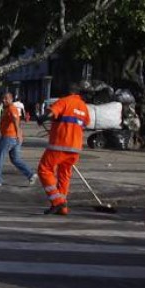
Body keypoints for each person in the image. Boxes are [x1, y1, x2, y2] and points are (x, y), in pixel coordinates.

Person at [36, 83, 92, 215]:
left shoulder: (64, 101)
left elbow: (51, 113)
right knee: (64, 175)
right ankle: (62, 207)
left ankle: (57, 201)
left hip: (60, 144)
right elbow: (86, 123)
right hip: (75, 147)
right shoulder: (83, 106)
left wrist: (41, 118)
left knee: (44, 170)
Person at [0, 91, 36, 187]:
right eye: (3, 98)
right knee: (15, 159)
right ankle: (30, 174)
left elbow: (15, 122)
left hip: (9, 137)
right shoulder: (7, 109)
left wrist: (18, 134)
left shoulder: (11, 108)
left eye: (6, 98)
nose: (4, 100)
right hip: (13, 137)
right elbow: (6, 124)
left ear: (11, 99)